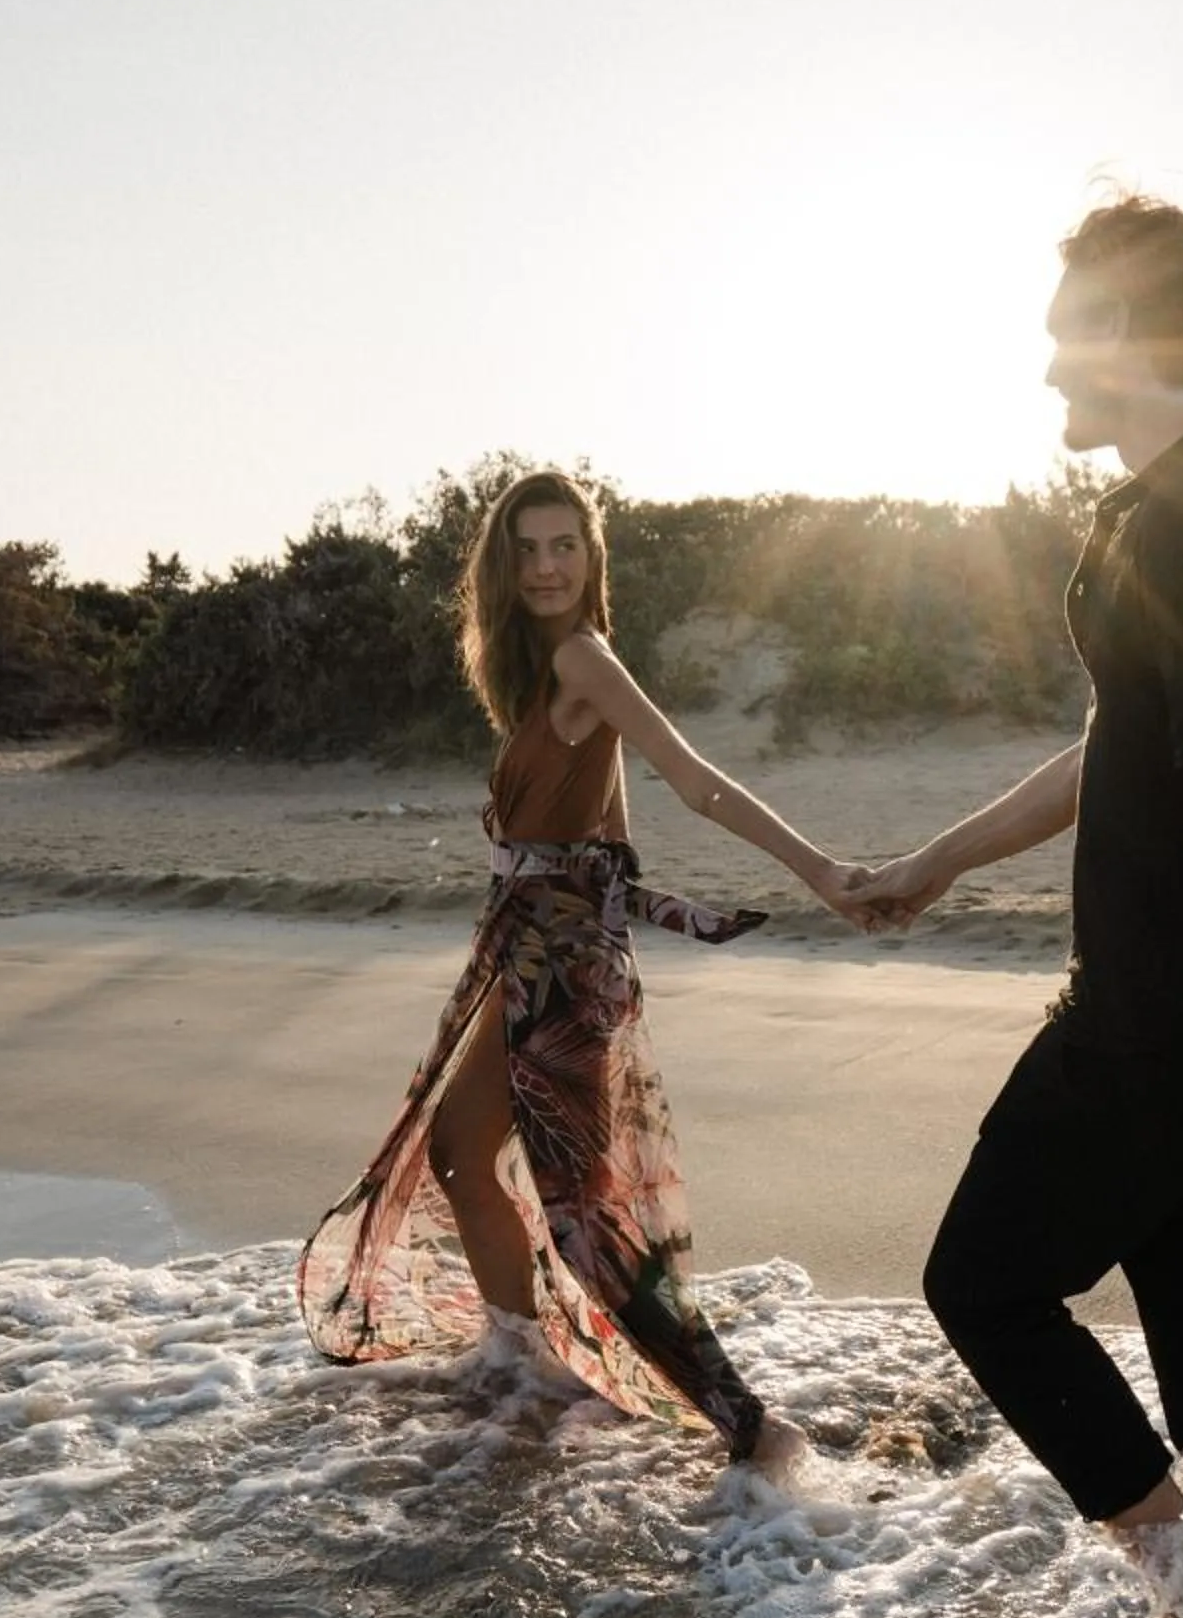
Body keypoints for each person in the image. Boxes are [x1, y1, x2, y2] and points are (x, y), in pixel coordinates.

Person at [848, 195, 1183, 1618]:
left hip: (1167, 1024)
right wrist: (939, 862)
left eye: (1067, 331)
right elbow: (1127, 748)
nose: (1047, 368)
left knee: (985, 1286)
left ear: (1127, 327)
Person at [298, 467, 866, 1472]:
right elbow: (607, 824)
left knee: (588, 1210)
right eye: (527, 549)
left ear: (592, 557)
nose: (546, 567)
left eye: (565, 546)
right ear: (501, 566)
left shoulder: (583, 657)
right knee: (462, 1151)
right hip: (531, 947)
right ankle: (521, 1361)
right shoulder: (534, 670)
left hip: (562, 964)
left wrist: (819, 871)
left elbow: (695, 782)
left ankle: (752, 1427)